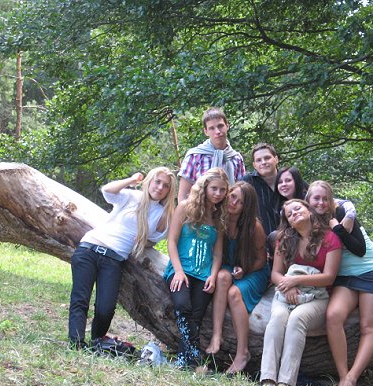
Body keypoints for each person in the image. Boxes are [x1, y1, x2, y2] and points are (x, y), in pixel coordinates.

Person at [68, 167, 176, 349]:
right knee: (80, 299)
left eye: (165, 185)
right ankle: (76, 343)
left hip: (114, 259)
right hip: (89, 249)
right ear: (149, 181)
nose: (160, 187)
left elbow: (154, 238)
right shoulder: (132, 196)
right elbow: (107, 191)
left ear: (169, 191)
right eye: (157, 181)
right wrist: (131, 180)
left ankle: (98, 341)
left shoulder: (162, 214)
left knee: (106, 308)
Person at [306, 181, 373, 386]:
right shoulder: (309, 221)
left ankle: (351, 379)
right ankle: (343, 375)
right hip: (344, 276)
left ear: (331, 200)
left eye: (325, 199)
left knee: (368, 327)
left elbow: (359, 249)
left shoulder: (342, 213)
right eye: (316, 198)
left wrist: (337, 228)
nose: (321, 203)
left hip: (371, 271)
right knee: (333, 316)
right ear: (308, 200)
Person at [260, 199, 342, 386]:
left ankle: (286, 382)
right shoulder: (284, 239)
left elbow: (329, 277)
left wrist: (295, 280)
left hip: (318, 296)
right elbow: (275, 273)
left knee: (297, 318)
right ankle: (268, 378)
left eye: (297, 209)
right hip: (286, 293)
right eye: (289, 214)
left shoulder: (330, 238)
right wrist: (287, 285)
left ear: (309, 211)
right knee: (277, 317)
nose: (294, 214)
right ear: (288, 222)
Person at [165, 168, 229, 368]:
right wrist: (178, 271)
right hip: (181, 270)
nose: (218, 193)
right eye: (214, 188)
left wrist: (213, 275)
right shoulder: (185, 207)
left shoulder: (218, 217)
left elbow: (217, 253)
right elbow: (171, 241)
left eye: (222, 190)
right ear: (204, 187)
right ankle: (194, 351)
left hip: (204, 275)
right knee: (183, 306)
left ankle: (185, 361)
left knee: (197, 316)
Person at [204, 181, 270, 373]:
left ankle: (243, 353)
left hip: (253, 270)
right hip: (229, 267)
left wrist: (245, 270)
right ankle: (217, 335)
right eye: (232, 196)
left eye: (240, 202)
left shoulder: (254, 227)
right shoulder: (219, 218)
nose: (233, 203)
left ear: (245, 207)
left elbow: (261, 260)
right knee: (221, 278)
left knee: (234, 294)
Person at [177, 107, 246, 201]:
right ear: (206, 131)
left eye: (220, 126)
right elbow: (183, 195)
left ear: (227, 126)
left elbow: (241, 194)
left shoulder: (236, 158)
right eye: (212, 128)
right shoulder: (194, 156)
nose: (217, 132)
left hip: (229, 208)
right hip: (199, 208)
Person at [241, 143, 281, 236]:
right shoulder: (248, 181)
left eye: (267, 158)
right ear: (254, 165)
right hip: (259, 240)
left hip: (290, 239)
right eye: (259, 160)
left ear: (276, 159)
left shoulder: (288, 179)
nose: (263, 162)